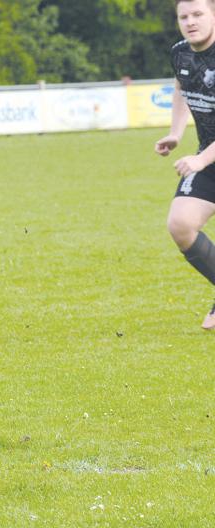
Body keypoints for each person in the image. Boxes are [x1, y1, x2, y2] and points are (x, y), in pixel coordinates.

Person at [156, 0, 215, 330]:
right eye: (184, 16)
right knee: (180, 223)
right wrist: (176, 133)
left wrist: (200, 159)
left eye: (198, 14)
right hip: (209, 155)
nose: (190, 22)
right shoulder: (180, 52)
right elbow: (181, 86)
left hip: (207, 156)